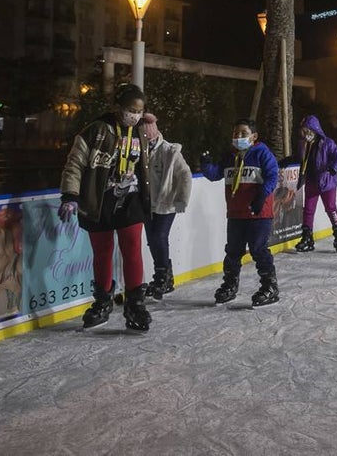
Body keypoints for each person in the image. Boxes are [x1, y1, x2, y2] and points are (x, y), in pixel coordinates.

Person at [59, 82, 152, 331]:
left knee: (132, 248)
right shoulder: (96, 131)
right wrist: (70, 195)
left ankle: (135, 304)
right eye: (131, 109)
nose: (135, 115)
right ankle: (103, 301)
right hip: (99, 201)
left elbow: (159, 147)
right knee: (102, 252)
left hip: (130, 199)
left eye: (140, 111)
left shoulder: (142, 131)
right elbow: (75, 164)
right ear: (118, 107)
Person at [200, 118, 281, 306]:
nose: (238, 137)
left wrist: (261, 196)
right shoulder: (230, 156)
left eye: (243, 133)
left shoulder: (262, 153)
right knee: (233, 251)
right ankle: (230, 285)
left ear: (254, 136)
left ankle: (270, 286)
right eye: (235, 133)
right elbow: (215, 174)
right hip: (236, 214)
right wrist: (205, 164)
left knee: (258, 249)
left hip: (258, 213)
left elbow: (272, 175)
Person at [141, 114, 193, 300]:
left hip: (166, 204)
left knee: (159, 237)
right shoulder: (137, 150)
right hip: (146, 205)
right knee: (152, 240)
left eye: (149, 139)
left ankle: (163, 277)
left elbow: (185, 174)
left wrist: (181, 200)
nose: (147, 142)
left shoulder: (169, 151)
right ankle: (163, 276)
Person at [293, 115, 337, 253]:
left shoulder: (327, 143)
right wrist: (283, 163)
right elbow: (298, 158)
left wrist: (332, 169)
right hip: (311, 181)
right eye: (303, 131)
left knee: (330, 208)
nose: (304, 134)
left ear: (314, 130)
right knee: (308, 210)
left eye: (307, 131)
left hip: (327, 182)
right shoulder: (303, 145)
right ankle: (307, 239)